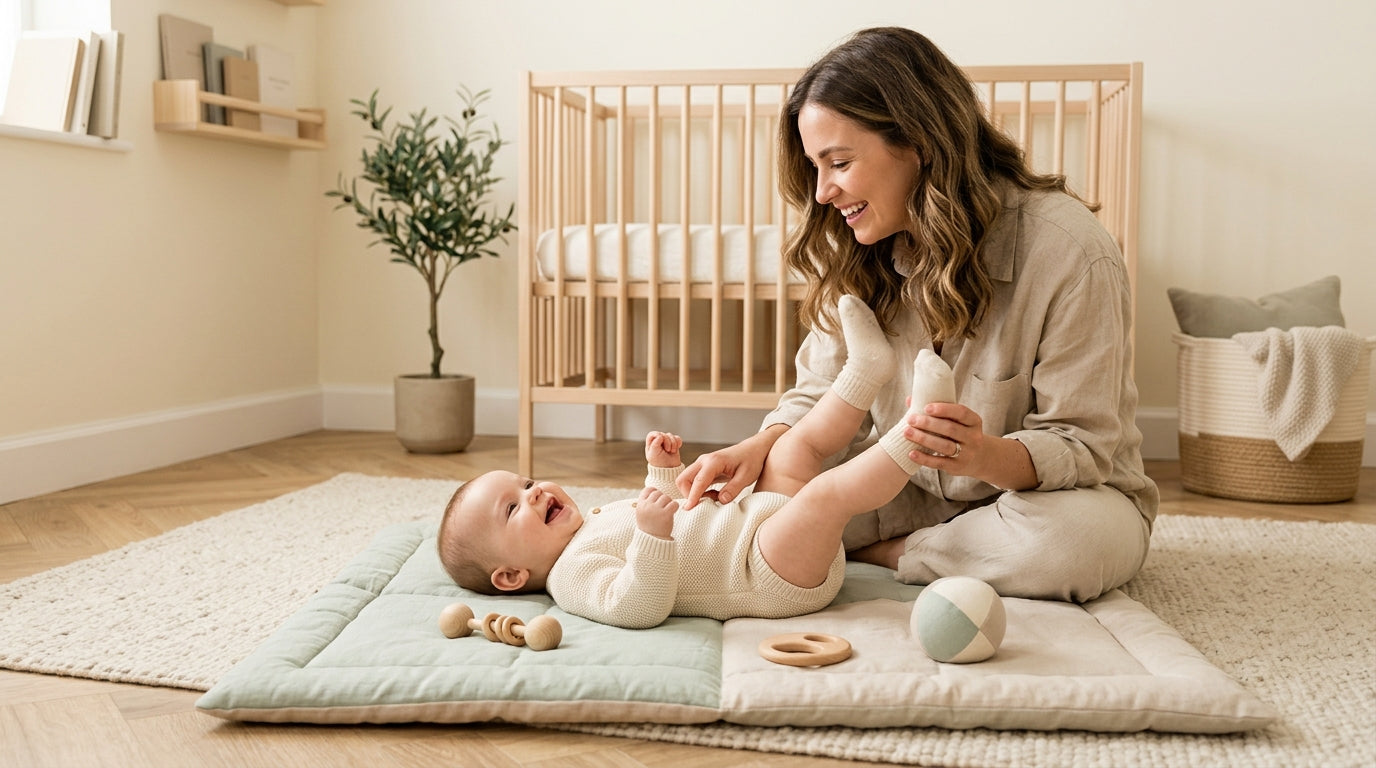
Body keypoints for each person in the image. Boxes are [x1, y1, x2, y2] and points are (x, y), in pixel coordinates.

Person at [676, 26, 1159, 603]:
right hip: (905, 491)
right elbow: (819, 394)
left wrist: (981, 454)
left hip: (1048, 499)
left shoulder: (1070, 251)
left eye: (839, 163)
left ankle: (897, 554)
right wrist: (758, 447)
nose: (823, 192)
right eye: (815, 168)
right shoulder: (857, 242)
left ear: (919, 142)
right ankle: (946, 548)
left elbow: (1082, 446)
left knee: (1066, 548)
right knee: (764, 501)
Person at [438, 297, 942, 629]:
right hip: (766, 575)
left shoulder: (592, 523)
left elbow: (673, 512)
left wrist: (662, 472)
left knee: (793, 449)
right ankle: (917, 431)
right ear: (509, 576)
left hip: (756, 523)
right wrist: (653, 534)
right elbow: (638, 606)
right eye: (512, 508)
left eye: (525, 482)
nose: (533, 492)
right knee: (826, 497)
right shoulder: (570, 579)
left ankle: (864, 371)